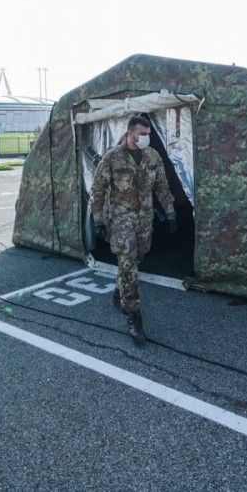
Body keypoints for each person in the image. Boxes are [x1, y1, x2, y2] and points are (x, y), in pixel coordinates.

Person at [90, 115, 176, 343]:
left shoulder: (152, 156)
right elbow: (97, 191)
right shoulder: (112, 158)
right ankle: (133, 314)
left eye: (148, 134)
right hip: (121, 220)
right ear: (130, 133)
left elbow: (161, 186)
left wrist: (170, 212)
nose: (146, 138)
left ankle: (121, 289)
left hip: (145, 220)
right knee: (127, 260)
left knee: (136, 260)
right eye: (142, 134)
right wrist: (98, 220)